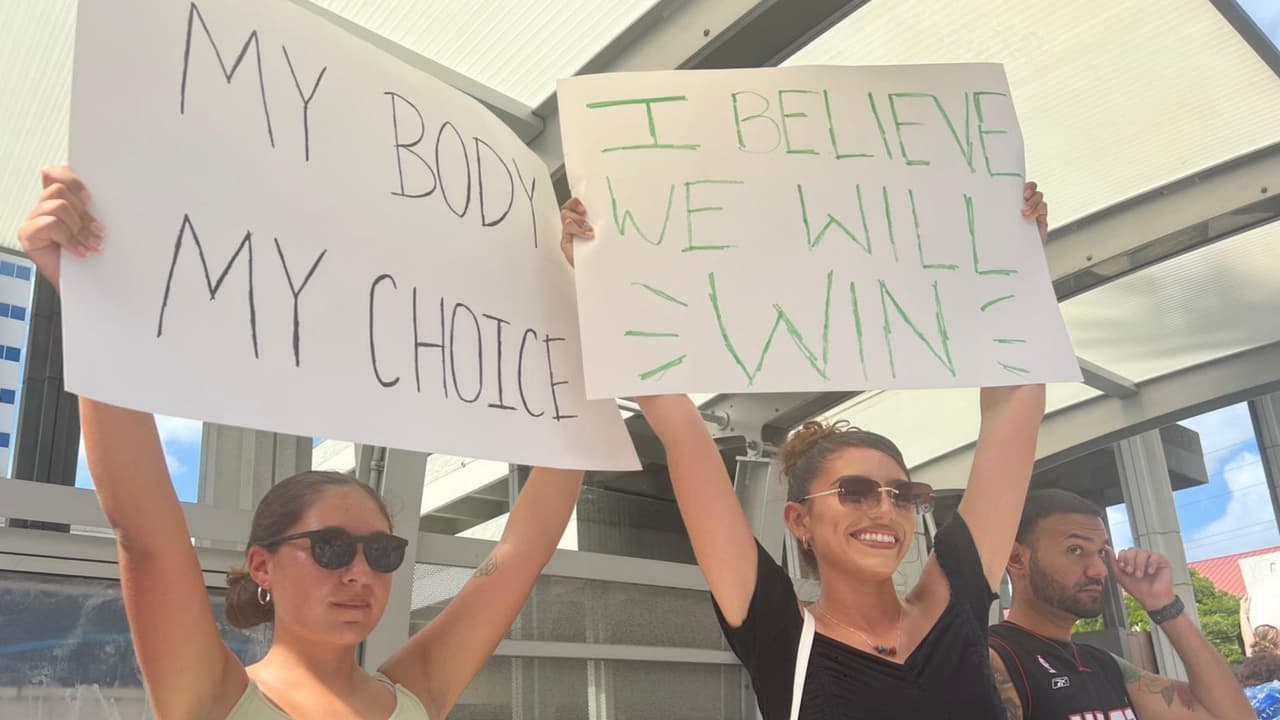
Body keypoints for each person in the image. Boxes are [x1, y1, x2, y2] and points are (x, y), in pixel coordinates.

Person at [19, 166, 586, 719]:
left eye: (381, 552)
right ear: (261, 566)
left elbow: (520, 553)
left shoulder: (415, 693)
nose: (361, 573)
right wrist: (88, 294)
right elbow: (145, 533)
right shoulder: (215, 698)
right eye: (331, 547)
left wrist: (587, 299)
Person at [560, 182, 1049, 719]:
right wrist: (600, 278)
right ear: (799, 519)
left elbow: (1013, 413)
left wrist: (1017, 265)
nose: (885, 508)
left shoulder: (954, 604)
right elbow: (681, 431)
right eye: (855, 492)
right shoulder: (780, 634)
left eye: (902, 494)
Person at [988, 489, 1254, 720]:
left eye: (1101, 553)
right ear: (1016, 559)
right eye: (1075, 550)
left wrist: (1163, 604)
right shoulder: (991, 658)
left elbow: (1230, 716)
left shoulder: (1105, 666)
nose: (1098, 571)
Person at [1242, 594, 1279, 658]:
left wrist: (1243, 614)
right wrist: (1243, 614)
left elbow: (1249, 644)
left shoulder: (1254, 660)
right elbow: (1249, 644)